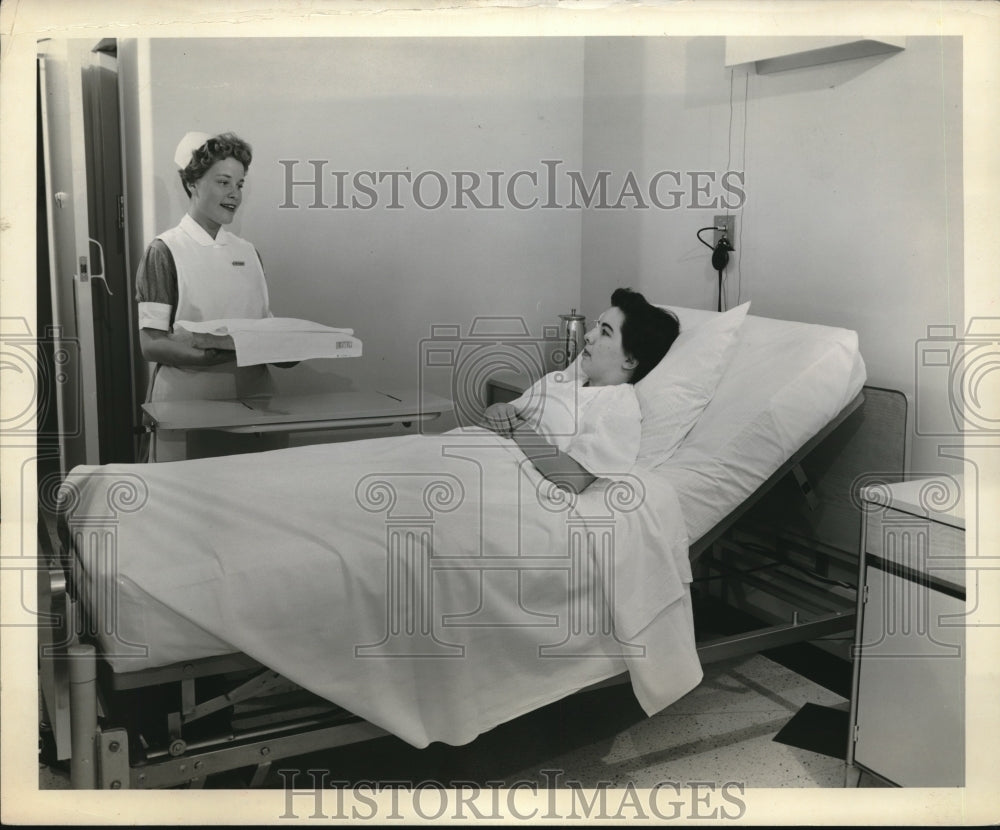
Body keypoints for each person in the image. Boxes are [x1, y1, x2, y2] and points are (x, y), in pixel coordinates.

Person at [135, 131, 291, 461]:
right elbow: (151, 344)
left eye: (239, 184)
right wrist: (210, 356)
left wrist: (287, 349)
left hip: (255, 399)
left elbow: (263, 325)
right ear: (193, 183)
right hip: (189, 400)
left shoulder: (247, 252)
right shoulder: (165, 250)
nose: (234, 194)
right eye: (223, 182)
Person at [483, 288, 679, 494]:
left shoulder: (617, 406)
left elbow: (572, 478)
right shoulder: (562, 381)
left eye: (605, 332)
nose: (588, 336)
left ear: (630, 360)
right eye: (597, 326)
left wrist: (516, 426)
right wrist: (497, 409)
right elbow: (505, 413)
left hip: (505, 480)